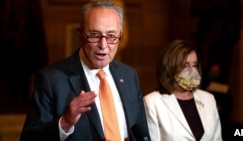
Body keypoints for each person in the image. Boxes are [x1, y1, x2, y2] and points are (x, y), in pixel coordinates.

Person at [20, 0, 150, 141]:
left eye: (111, 36)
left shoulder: (129, 76)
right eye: (94, 35)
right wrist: (65, 123)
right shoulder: (51, 80)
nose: (103, 45)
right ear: (81, 35)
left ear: (120, 35)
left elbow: (141, 133)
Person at [143, 39, 222, 141]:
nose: (192, 70)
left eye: (194, 65)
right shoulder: (152, 102)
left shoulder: (208, 99)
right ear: (171, 67)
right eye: (185, 65)